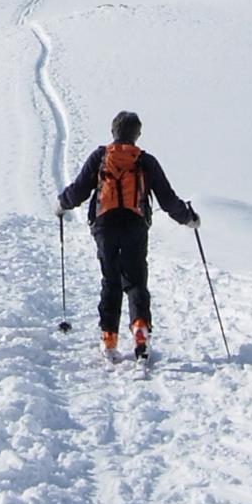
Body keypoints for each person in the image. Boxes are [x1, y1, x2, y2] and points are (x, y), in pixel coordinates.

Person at [57, 110, 198, 358]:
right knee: (135, 280)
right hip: (135, 224)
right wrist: (188, 218)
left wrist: (62, 204)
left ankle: (109, 338)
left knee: (110, 279)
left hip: (104, 225)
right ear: (137, 134)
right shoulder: (145, 161)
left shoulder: (100, 157)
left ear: (113, 132)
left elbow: (79, 190)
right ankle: (140, 328)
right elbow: (167, 199)